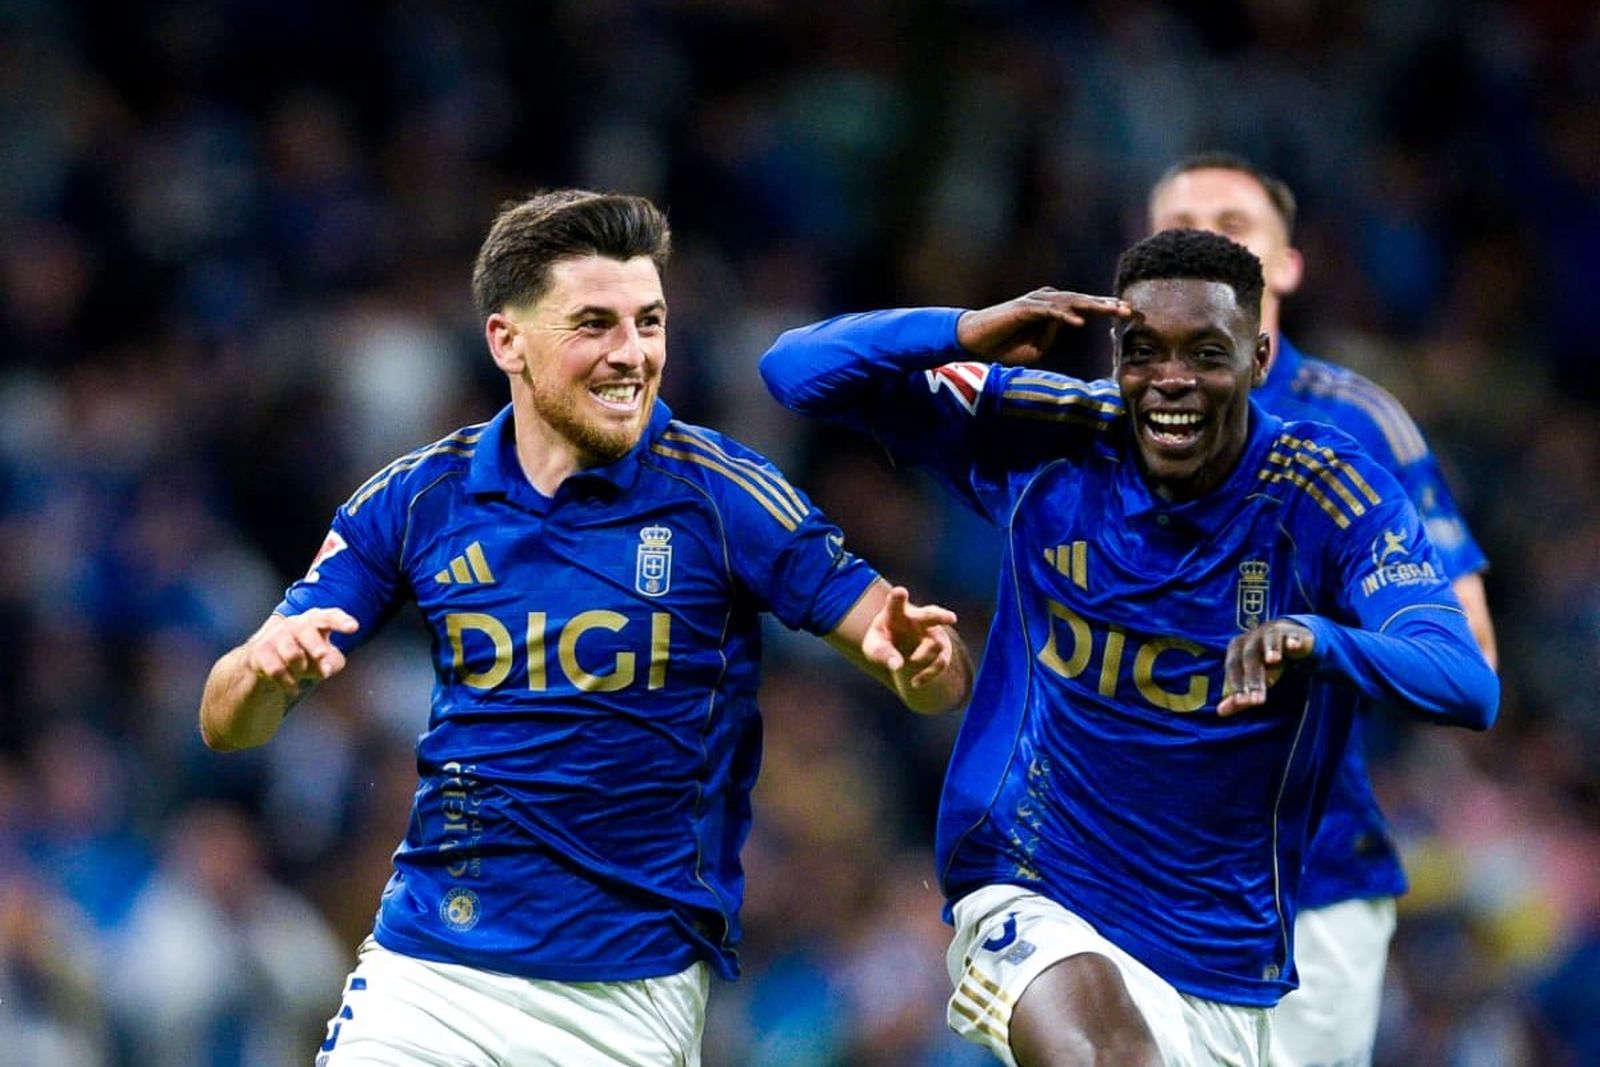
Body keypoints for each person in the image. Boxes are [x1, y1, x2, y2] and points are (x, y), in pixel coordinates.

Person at [198, 189, 973, 1067]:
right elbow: (227, 723)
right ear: (508, 341)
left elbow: (925, 665)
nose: (632, 353)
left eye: (650, 322)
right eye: (595, 324)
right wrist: (262, 671)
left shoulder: (723, 494)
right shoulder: (417, 498)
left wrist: (919, 663)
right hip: (430, 971)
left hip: (626, 996)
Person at [760, 227, 1498, 1066]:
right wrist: (962, 329)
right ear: (1116, 356)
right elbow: (794, 368)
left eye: (1206, 353)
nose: (1171, 379)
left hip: (1218, 963)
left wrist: (1320, 637)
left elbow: (1464, 681)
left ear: (1258, 358)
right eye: (1144, 351)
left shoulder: (1324, 492)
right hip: (1034, 892)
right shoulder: (1049, 430)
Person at [1148, 152, 1499, 1067]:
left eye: (1234, 225)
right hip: (1125, 871)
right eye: (1180, 225)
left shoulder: (1355, 423)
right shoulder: (1093, 423)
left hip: (1311, 878)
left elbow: (1469, 652)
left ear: (1288, 266)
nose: (1206, 241)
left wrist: (1318, 640)